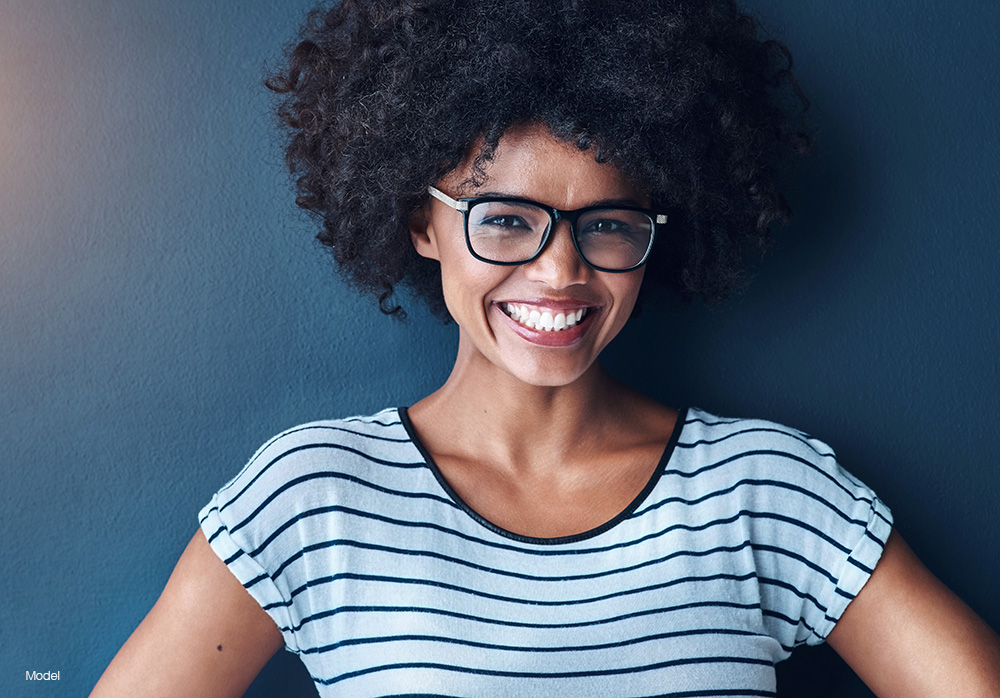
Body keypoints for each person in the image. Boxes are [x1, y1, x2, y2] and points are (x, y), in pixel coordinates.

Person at [90, 0, 1000, 696]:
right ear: (421, 221)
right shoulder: (312, 498)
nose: (560, 272)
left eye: (606, 224)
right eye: (509, 219)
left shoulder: (763, 491)